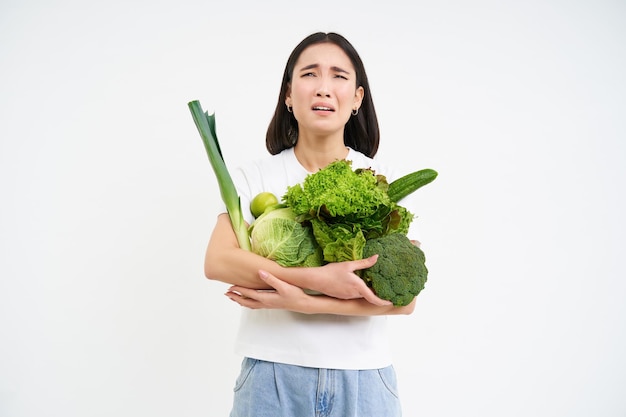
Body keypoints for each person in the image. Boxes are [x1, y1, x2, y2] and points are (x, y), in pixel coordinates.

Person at [204, 32, 421, 417]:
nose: (323, 88)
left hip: (365, 378)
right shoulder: (253, 178)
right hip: (270, 375)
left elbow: (402, 301)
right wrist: (319, 280)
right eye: (309, 74)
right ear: (288, 94)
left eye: (339, 76)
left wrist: (299, 301)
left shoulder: (381, 180)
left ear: (357, 98)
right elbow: (219, 262)